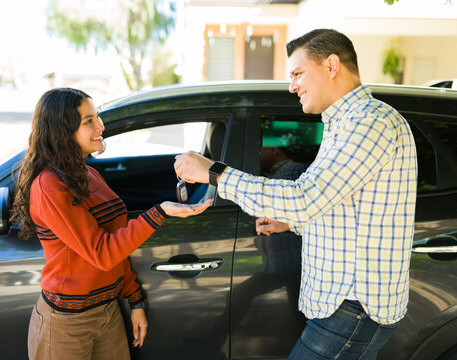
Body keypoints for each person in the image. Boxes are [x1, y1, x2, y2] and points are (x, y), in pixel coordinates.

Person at [174, 29, 417, 359]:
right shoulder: (343, 124)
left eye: (298, 73)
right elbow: (342, 206)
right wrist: (291, 223)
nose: (292, 86)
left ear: (331, 65)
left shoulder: (369, 123)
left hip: (353, 305)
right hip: (341, 302)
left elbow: (305, 198)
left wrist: (214, 173)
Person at [10, 88, 212, 360]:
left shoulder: (88, 173)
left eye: (98, 117)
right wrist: (160, 213)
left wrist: (134, 298)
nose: (101, 127)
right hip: (67, 322)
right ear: (62, 130)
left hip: (107, 311)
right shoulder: (50, 185)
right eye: (89, 121)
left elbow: (117, 243)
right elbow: (102, 253)